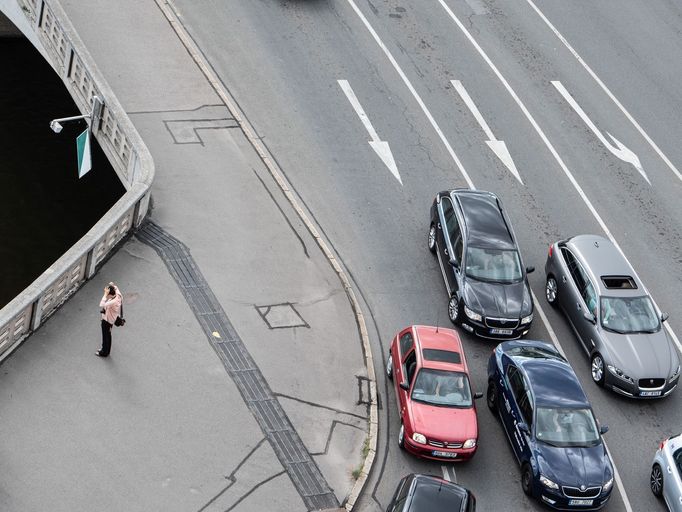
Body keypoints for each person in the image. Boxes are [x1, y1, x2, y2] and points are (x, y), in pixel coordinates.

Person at [97, 282, 122, 357]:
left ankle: (104, 352)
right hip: (112, 319)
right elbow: (115, 287)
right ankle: (106, 350)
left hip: (107, 320)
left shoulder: (112, 302)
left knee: (105, 336)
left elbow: (101, 304)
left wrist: (105, 294)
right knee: (108, 335)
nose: (107, 296)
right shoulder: (118, 295)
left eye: (108, 295)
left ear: (110, 295)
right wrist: (112, 285)